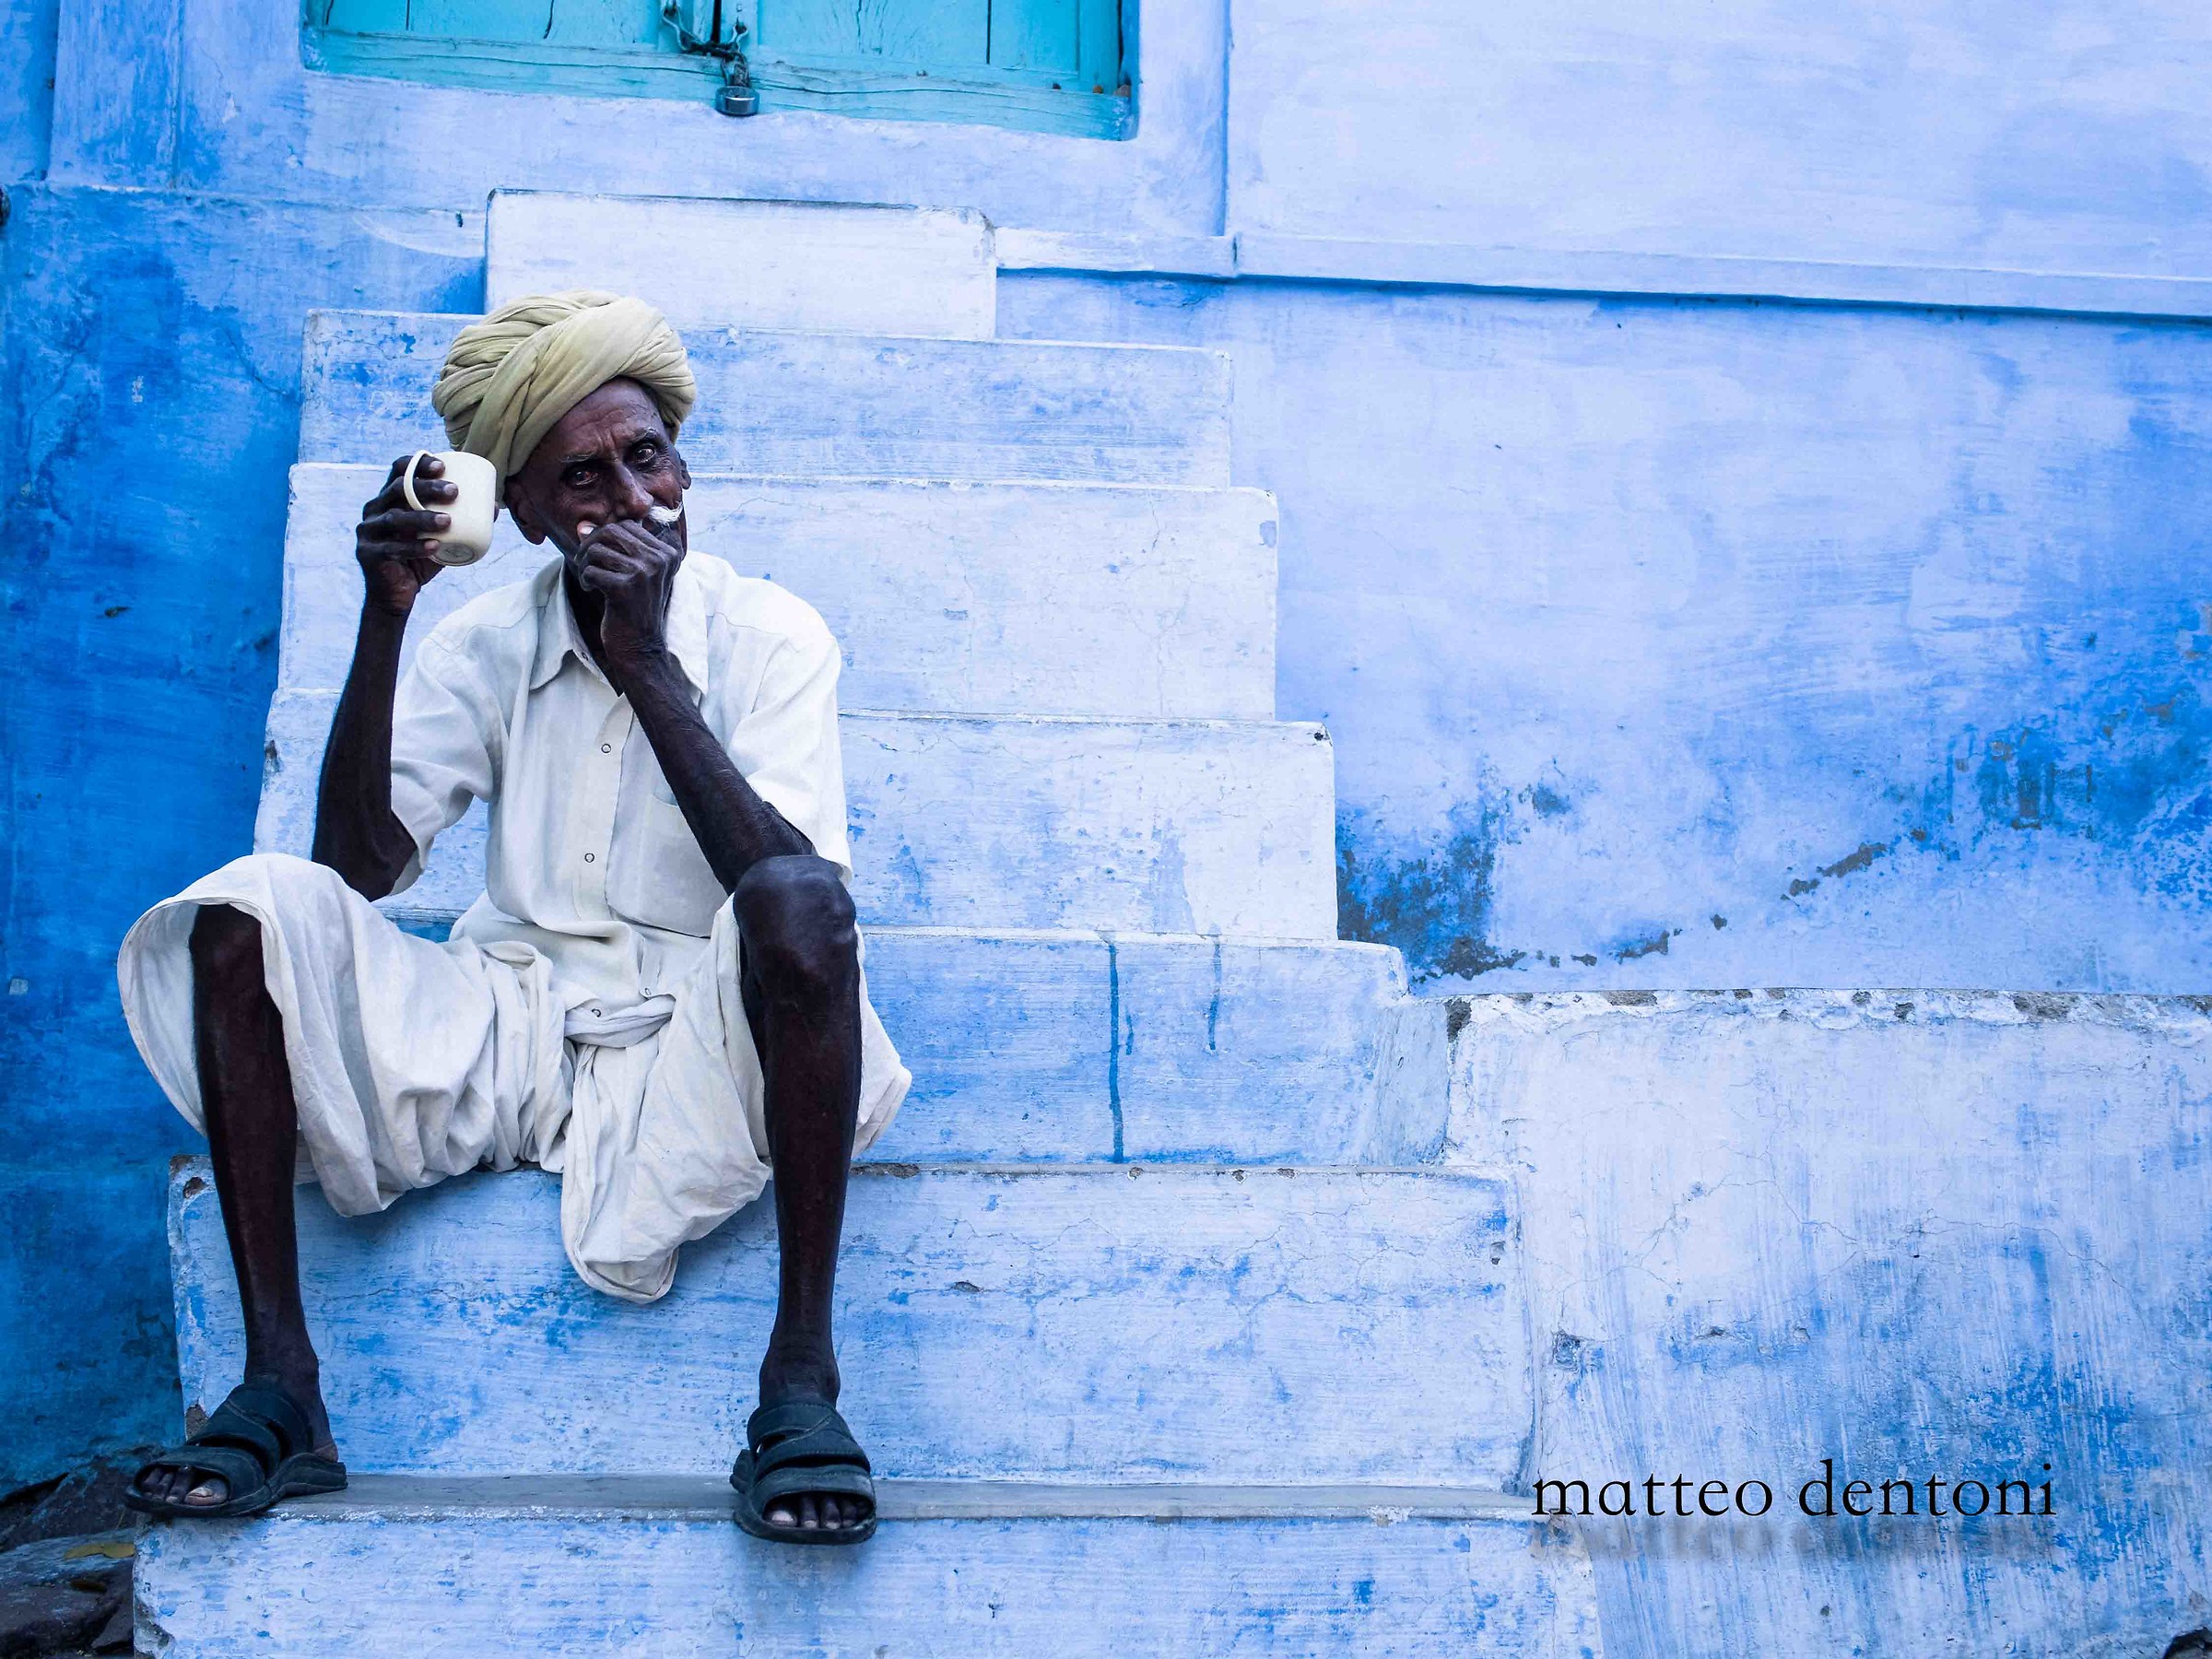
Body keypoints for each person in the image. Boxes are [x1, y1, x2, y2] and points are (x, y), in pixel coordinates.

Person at [115, 291, 908, 1545]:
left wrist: (645, 666)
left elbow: (781, 882)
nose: (630, 497)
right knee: (248, 912)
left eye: (646, 457)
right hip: (514, 1012)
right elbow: (351, 873)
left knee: (804, 901)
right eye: (582, 480)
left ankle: (799, 1386)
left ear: (684, 463)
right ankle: (282, 1390)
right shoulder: (485, 641)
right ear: (526, 515)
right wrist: (386, 615)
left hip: (704, 1036)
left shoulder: (773, 634)